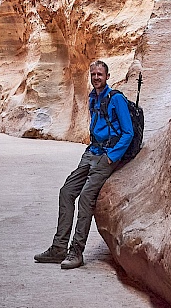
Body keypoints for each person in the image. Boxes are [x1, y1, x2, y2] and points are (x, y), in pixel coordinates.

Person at [33, 59, 135, 270]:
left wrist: (111, 157)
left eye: (100, 74)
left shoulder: (116, 99)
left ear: (107, 77)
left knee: (86, 197)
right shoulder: (92, 98)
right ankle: (58, 247)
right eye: (94, 74)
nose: (96, 77)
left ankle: (76, 251)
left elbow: (128, 132)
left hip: (106, 155)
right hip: (92, 152)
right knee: (66, 192)